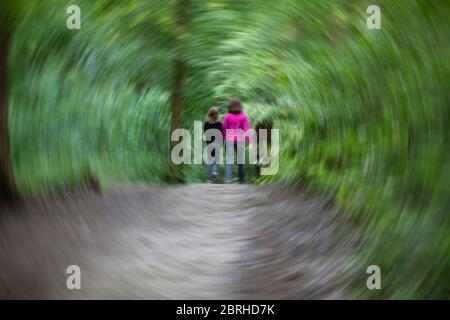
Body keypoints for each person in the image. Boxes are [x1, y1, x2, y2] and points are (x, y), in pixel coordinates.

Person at [222, 97, 252, 184]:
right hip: (240, 140)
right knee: (241, 162)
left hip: (229, 140)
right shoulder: (243, 116)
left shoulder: (227, 116)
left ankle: (228, 180)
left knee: (229, 161)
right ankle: (241, 181)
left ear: (230, 106)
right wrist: (250, 141)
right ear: (240, 105)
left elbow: (224, 129)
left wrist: (223, 140)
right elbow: (247, 129)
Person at [203, 107, 223, 183]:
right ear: (217, 115)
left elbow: (205, 133)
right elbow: (221, 134)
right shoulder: (219, 123)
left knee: (210, 161)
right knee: (216, 160)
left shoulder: (206, 123)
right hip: (217, 143)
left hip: (209, 144)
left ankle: (209, 179)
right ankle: (215, 171)